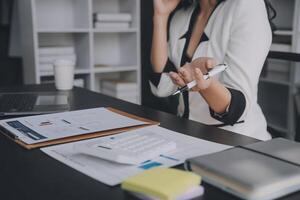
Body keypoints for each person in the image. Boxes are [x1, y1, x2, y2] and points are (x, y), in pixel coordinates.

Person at [149, 0, 276, 140]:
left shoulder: (247, 5)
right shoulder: (183, 14)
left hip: (237, 141)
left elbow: (237, 109)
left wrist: (206, 85)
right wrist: (161, 16)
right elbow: (162, 85)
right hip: (188, 136)